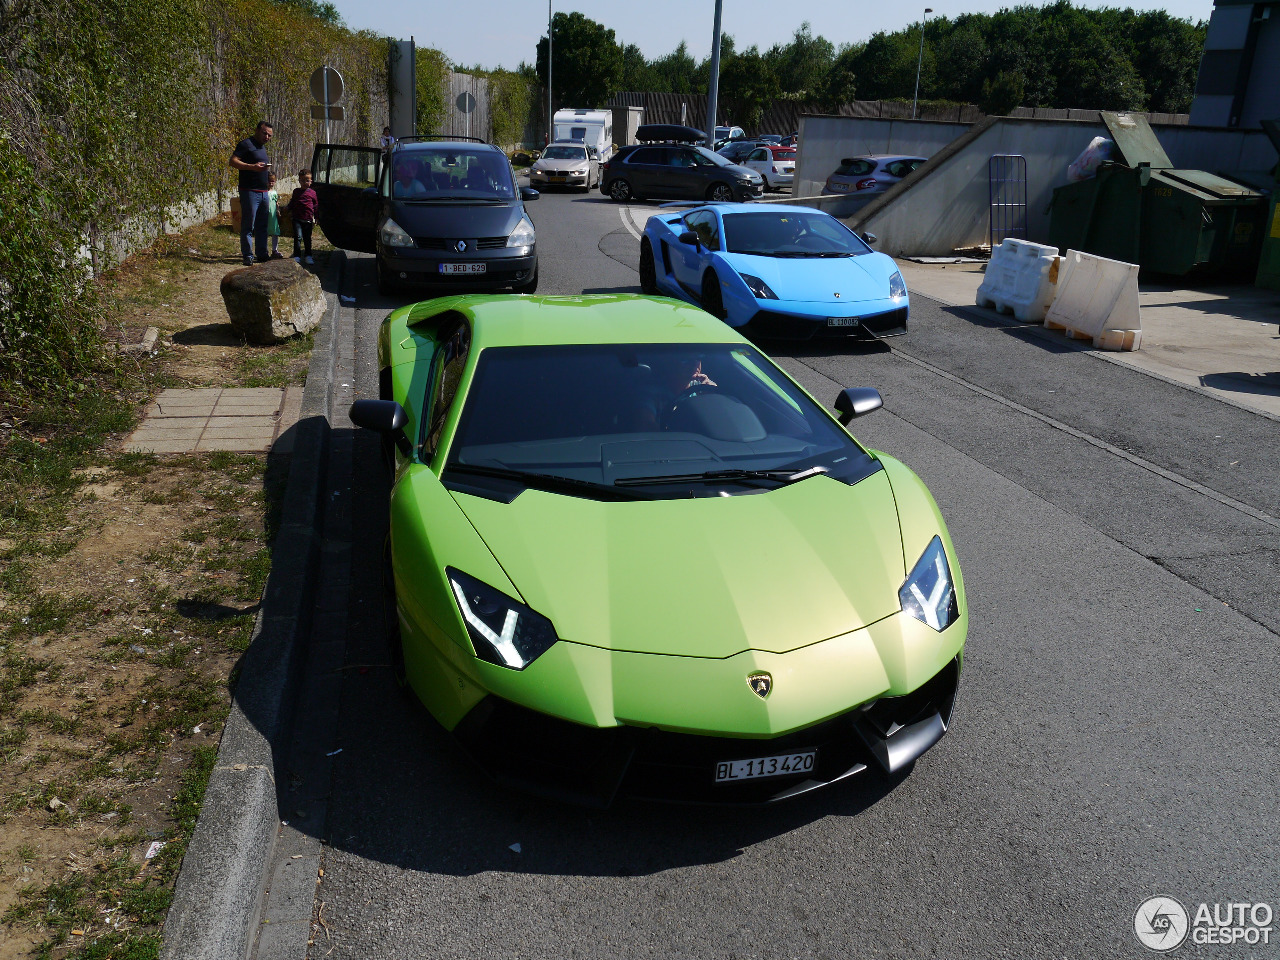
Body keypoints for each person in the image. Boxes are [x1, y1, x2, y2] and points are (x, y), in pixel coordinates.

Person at [629, 355, 717, 431]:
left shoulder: (702, 388)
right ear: (670, 364)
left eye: (698, 358)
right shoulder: (651, 394)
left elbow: (722, 420)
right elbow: (645, 424)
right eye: (685, 359)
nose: (694, 364)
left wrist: (714, 396)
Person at [230, 120, 274, 266]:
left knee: (262, 225)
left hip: (263, 192)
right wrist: (251, 167)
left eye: (269, 135)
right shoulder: (246, 144)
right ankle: (248, 255)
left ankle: (262, 254)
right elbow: (233, 161)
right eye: (265, 133)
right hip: (249, 191)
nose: (267, 137)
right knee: (248, 225)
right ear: (257, 130)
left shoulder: (262, 148)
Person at [288, 169, 318, 265]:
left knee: (307, 238)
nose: (305, 182)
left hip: (308, 219)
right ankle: (297, 256)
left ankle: (308, 255)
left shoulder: (312, 193)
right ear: (299, 181)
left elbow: (316, 205)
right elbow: (292, 202)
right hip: (297, 218)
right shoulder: (296, 192)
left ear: (311, 181)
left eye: (307, 180)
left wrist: (316, 216)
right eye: (303, 180)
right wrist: (287, 208)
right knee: (298, 237)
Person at [265, 173, 283, 259]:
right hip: (265, 216)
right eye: (269, 181)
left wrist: (278, 210)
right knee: (265, 233)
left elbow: (276, 202)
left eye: (272, 181)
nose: (271, 183)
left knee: (275, 233)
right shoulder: (264, 192)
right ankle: (264, 250)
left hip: (273, 216)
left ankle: (274, 250)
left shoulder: (274, 192)